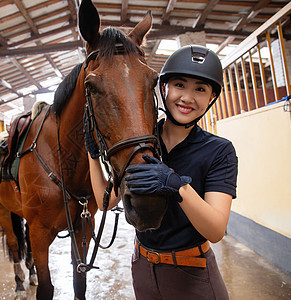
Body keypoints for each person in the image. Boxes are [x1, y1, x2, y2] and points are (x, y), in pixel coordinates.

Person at [86, 45, 238, 299]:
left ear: (211, 98)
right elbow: (106, 200)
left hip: (192, 273)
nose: (187, 98)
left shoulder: (219, 151)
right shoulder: (142, 144)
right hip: (143, 269)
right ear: (164, 89)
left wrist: (176, 185)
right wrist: (92, 155)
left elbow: (215, 231)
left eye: (200, 89)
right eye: (180, 84)